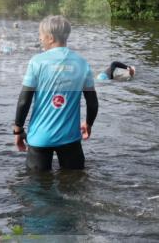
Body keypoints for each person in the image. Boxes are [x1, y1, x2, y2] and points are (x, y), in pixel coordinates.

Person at [13, 15, 99, 171]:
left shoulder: (36, 62)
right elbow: (92, 102)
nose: (40, 39)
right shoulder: (81, 63)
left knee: (36, 189)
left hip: (40, 138)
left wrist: (18, 129)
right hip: (70, 139)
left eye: (41, 36)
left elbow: (24, 101)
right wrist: (89, 123)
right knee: (74, 185)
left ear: (50, 38)